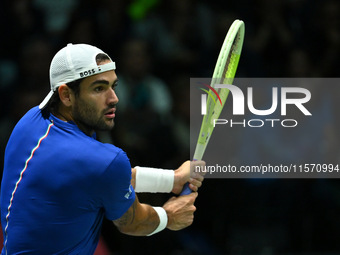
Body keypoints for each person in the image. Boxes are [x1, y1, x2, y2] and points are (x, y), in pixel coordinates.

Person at [0, 43, 205, 254]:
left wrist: (173, 179)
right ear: (66, 95)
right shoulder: (103, 161)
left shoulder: (28, 123)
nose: (114, 99)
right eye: (99, 88)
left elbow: (102, 177)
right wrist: (170, 215)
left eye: (113, 86)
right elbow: (132, 222)